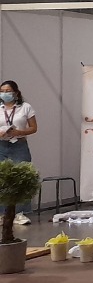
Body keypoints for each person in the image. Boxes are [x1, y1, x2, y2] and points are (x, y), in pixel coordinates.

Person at [0, 81, 38, 226]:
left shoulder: (25, 107)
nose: (5, 93)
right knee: (2, 180)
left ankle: (20, 213)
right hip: (2, 145)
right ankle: (3, 214)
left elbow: (33, 128)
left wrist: (19, 132)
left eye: (8, 90)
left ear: (16, 92)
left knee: (22, 178)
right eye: (2, 90)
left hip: (19, 144)